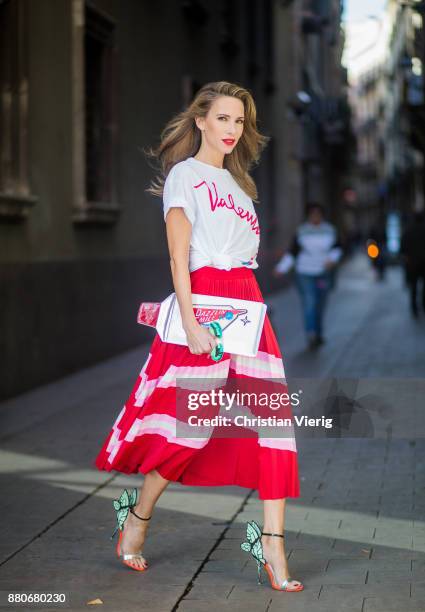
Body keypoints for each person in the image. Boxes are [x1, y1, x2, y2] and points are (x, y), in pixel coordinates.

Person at [94, 81, 303, 592]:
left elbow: (245, 259)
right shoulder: (184, 176)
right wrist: (189, 322)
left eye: (240, 121)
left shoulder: (242, 186)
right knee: (190, 425)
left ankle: (272, 543)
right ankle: (138, 516)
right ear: (201, 121)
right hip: (203, 303)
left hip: (248, 305)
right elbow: (177, 255)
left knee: (275, 423)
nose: (232, 129)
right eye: (224, 118)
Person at [273, 203, 342, 349]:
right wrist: (281, 268)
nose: (315, 217)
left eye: (318, 214)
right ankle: (310, 333)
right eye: (312, 214)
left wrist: (332, 259)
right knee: (309, 302)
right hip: (304, 273)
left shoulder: (330, 230)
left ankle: (318, 332)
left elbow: (337, 248)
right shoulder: (302, 231)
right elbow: (293, 252)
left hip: (322, 273)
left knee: (320, 304)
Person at [400, 210, 425, 318]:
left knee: (413, 286)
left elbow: (402, 248)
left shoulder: (408, 231)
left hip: (412, 263)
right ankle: (424, 304)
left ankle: (414, 307)